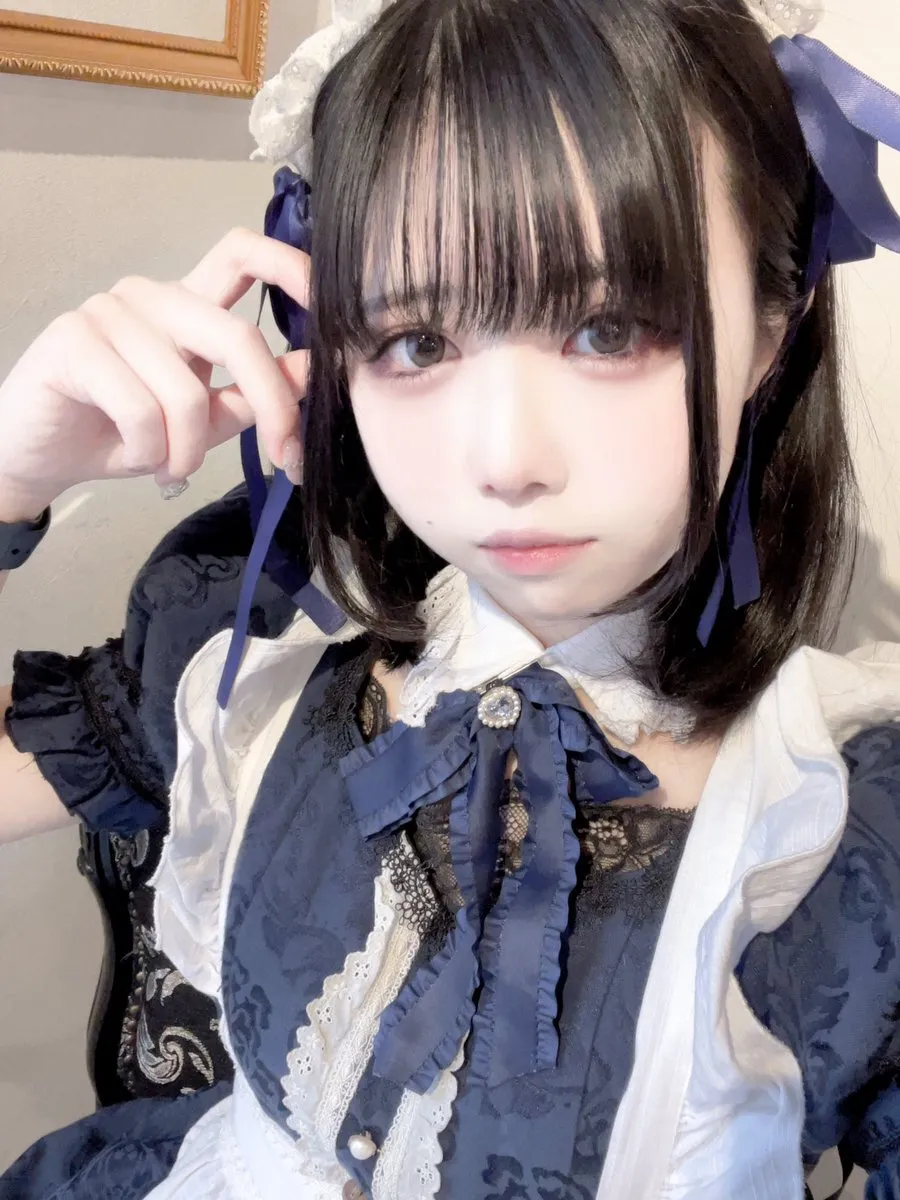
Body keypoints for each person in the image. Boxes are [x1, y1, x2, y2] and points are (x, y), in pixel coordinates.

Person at [1, 0, 900, 1196]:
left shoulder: (848, 829)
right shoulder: (256, 678)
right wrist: (7, 477)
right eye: (416, 342)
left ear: (773, 331)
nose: (504, 461)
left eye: (610, 327)